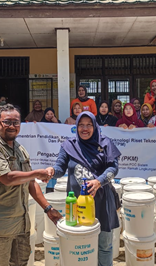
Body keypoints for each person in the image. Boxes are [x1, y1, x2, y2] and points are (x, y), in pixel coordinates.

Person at [0, 104, 62, 265]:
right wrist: (37, 173)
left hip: (21, 223)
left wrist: (48, 209)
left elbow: (30, 183)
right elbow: (7, 178)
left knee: (20, 262)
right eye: (7, 122)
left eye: (16, 122)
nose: (12, 126)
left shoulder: (19, 149)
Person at [46, 111, 121, 266]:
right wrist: (51, 172)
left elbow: (113, 168)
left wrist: (99, 181)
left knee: (104, 246)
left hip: (102, 202)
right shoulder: (69, 145)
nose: (84, 128)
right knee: (79, 245)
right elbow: (60, 168)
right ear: (76, 126)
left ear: (94, 126)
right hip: (78, 205)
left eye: (88, 125)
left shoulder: (105, 143)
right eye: (81, 125)